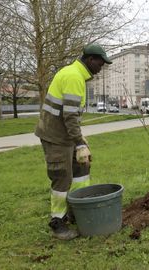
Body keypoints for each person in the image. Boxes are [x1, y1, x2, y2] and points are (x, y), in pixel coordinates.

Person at [35, 44, 112, 240]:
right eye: (100, 64)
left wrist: (80, 139)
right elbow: (69, 116)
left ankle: (77, 210)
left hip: (66, 136)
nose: (101, 68)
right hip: (55, 137)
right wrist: (79, 144)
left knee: (81, 170)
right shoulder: (73, 77)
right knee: (62, 177)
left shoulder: (77, 75)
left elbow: (72, 116)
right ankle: (58, 222)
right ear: (90, 60)